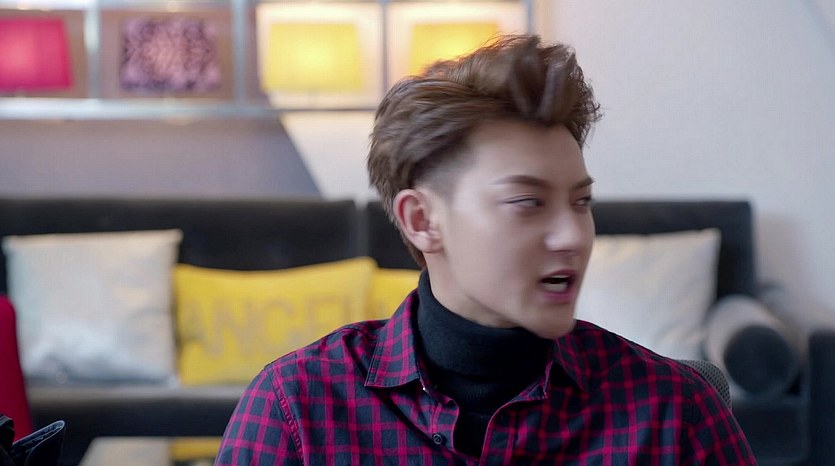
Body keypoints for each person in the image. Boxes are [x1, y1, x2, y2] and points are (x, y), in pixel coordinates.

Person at [215, 34, 756, 465]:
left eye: (581, 202)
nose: (572, 235)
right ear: (422, 221)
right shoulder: (297, 407)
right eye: (527, 202)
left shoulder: (675, 412)